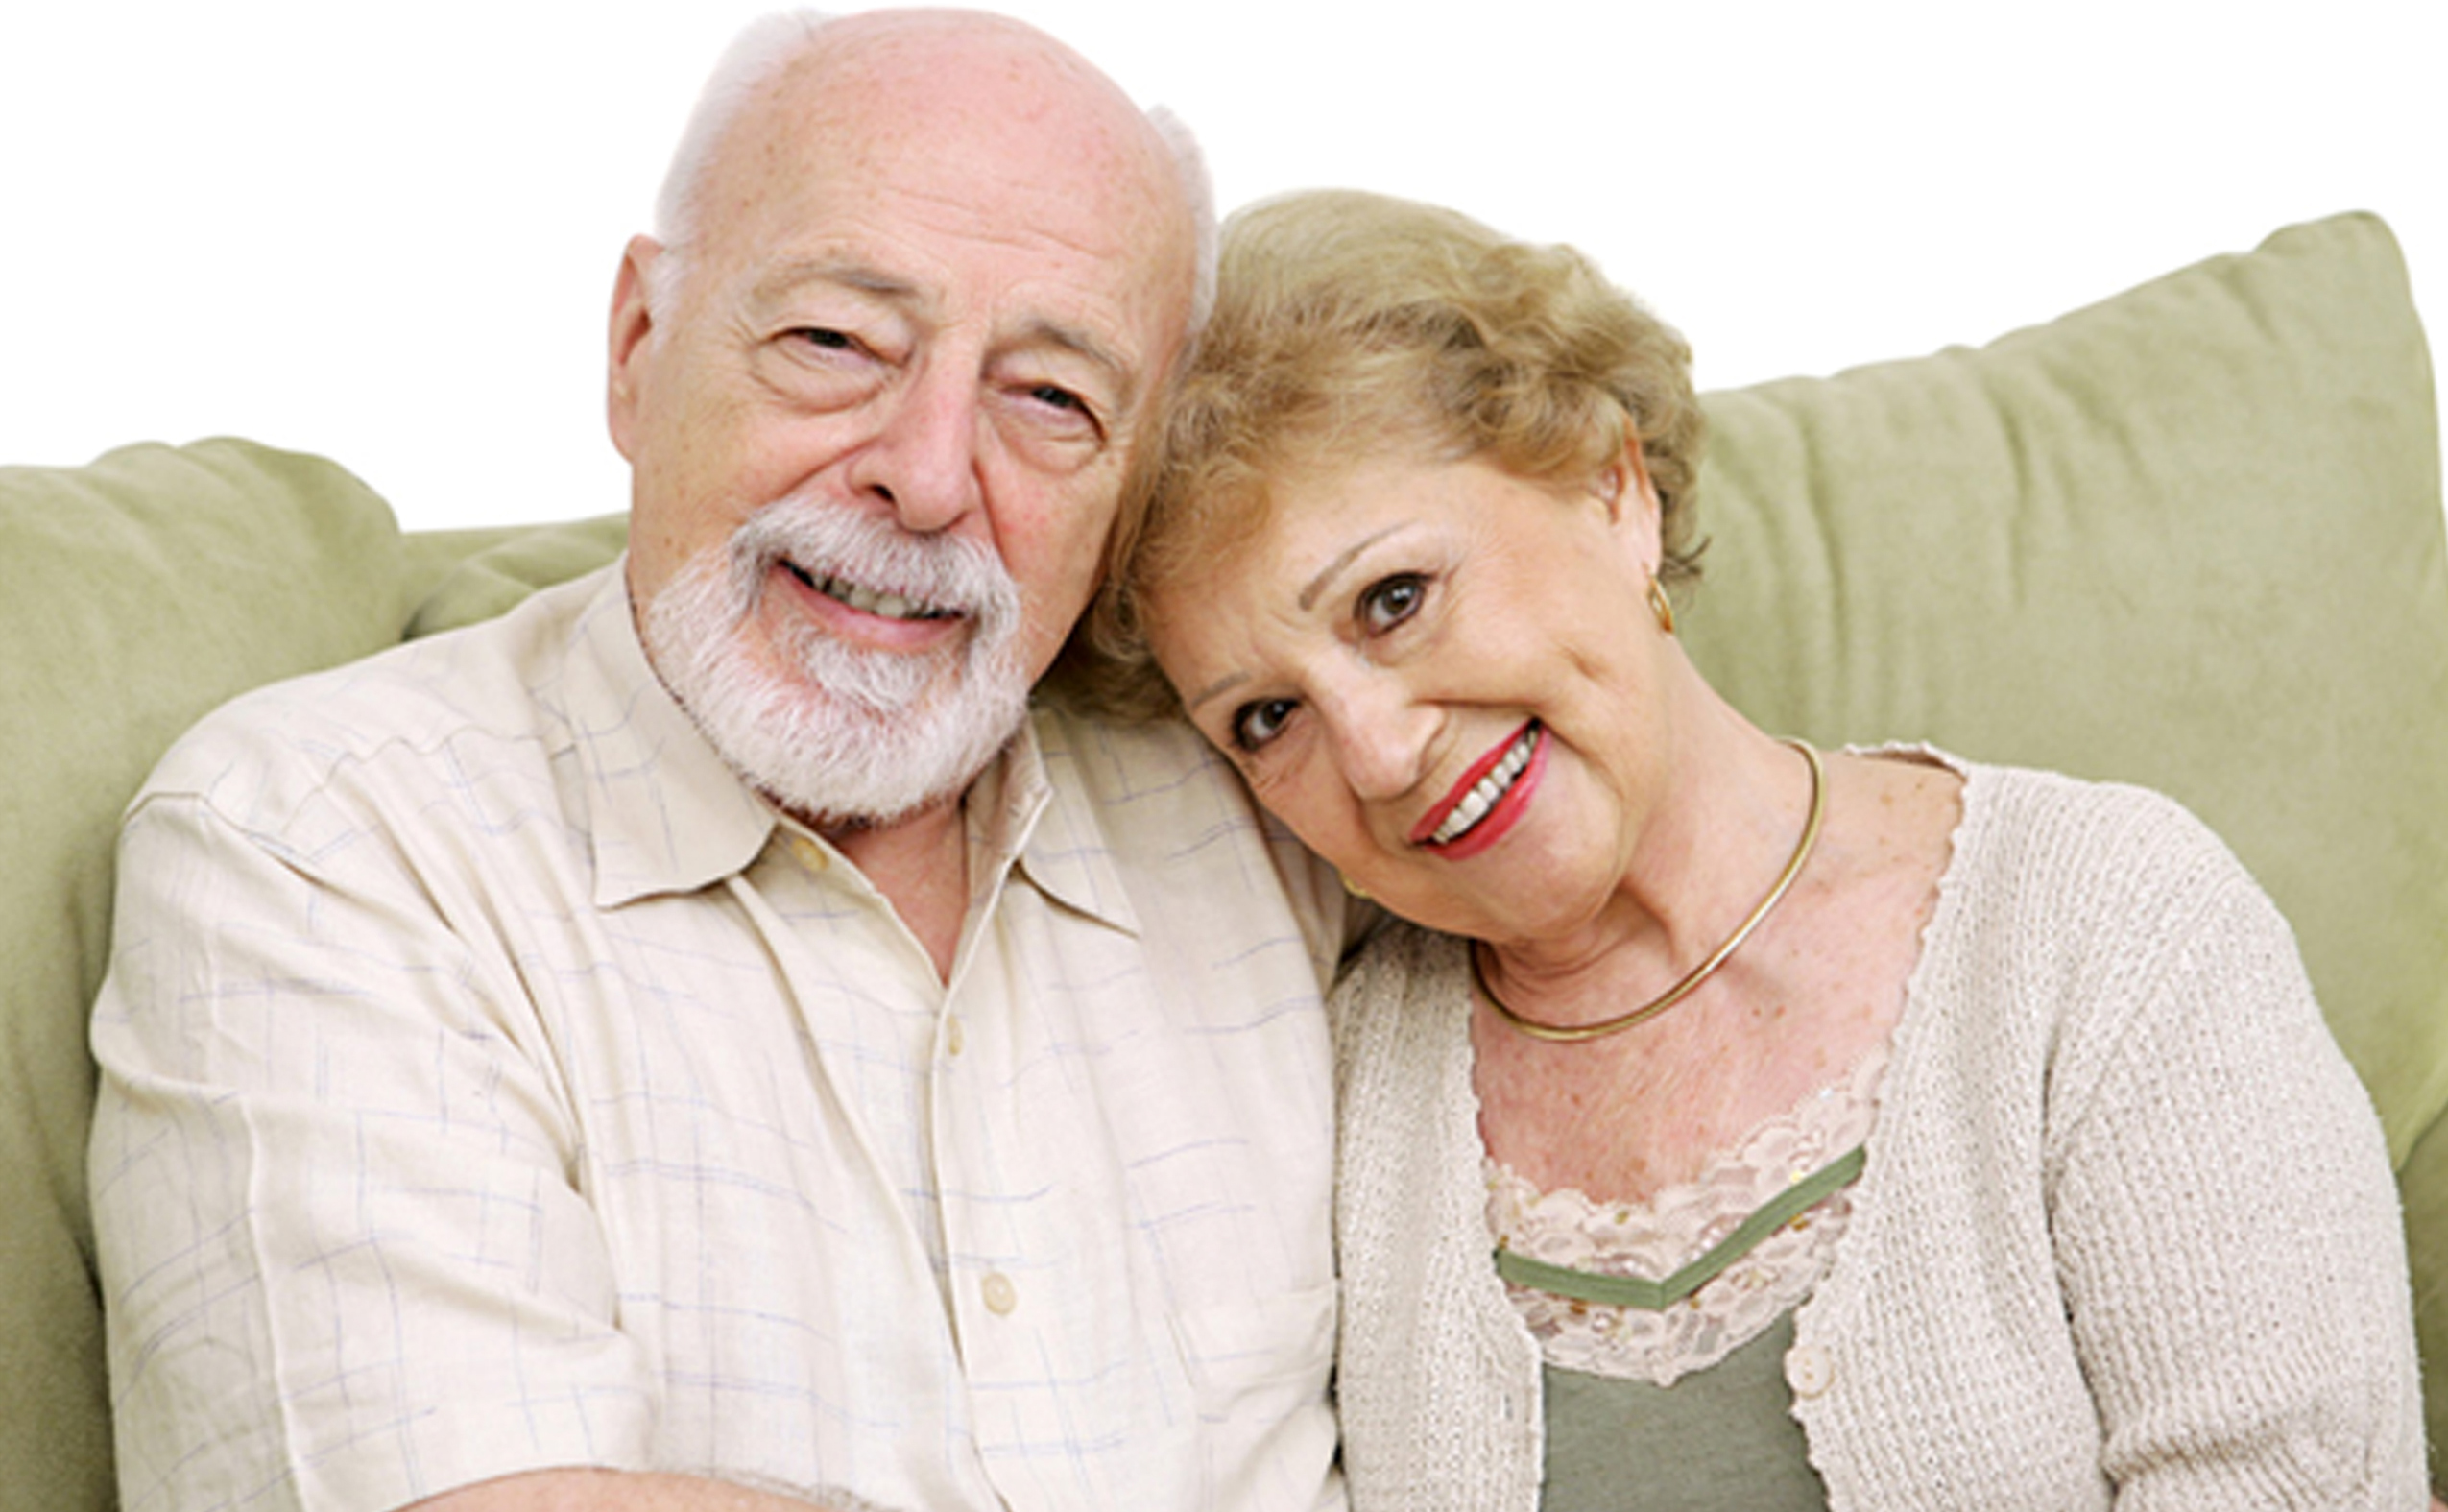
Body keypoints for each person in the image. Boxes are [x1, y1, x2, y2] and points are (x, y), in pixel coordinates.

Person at [85, 12, 1351, 1512]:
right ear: (636, 349)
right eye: (832, 341)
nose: (930, 474)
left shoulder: (1282, 791)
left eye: (1052, 397)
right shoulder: (326, 842)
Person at [1081, 187, 2429, 1508]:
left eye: (1393, 599)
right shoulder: (1322, 1092)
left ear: (1610, 487)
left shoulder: (2105, 924)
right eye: (1266, 718)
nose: (1373, 754)